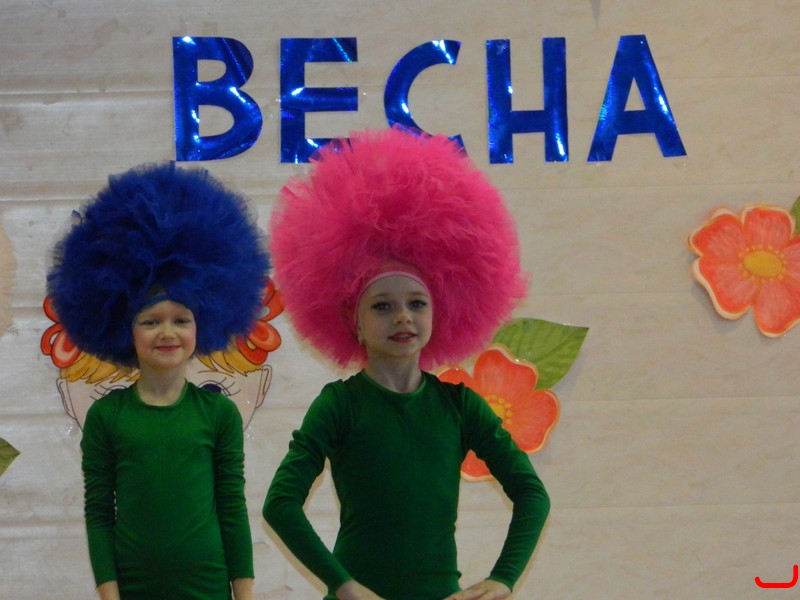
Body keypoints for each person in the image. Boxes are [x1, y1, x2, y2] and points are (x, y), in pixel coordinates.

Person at [263, 127, 550, 600]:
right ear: (354, 323)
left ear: (438, 313)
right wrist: (344, 585)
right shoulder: (340, 405)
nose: (402, 317)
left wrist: (503, 579)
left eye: (417, 303)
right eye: (382, 306)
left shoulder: (459, 407)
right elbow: (280, 505)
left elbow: (532, 494)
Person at [46, 162, 270, 600]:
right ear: (125, 330)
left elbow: (231, 507)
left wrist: (243, 594)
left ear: (202, 326)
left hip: (209, 589)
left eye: (180, 320)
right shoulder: (107, 416)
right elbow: (99, 514)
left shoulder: (219, 414)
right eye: (151, 321)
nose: (167, 332)